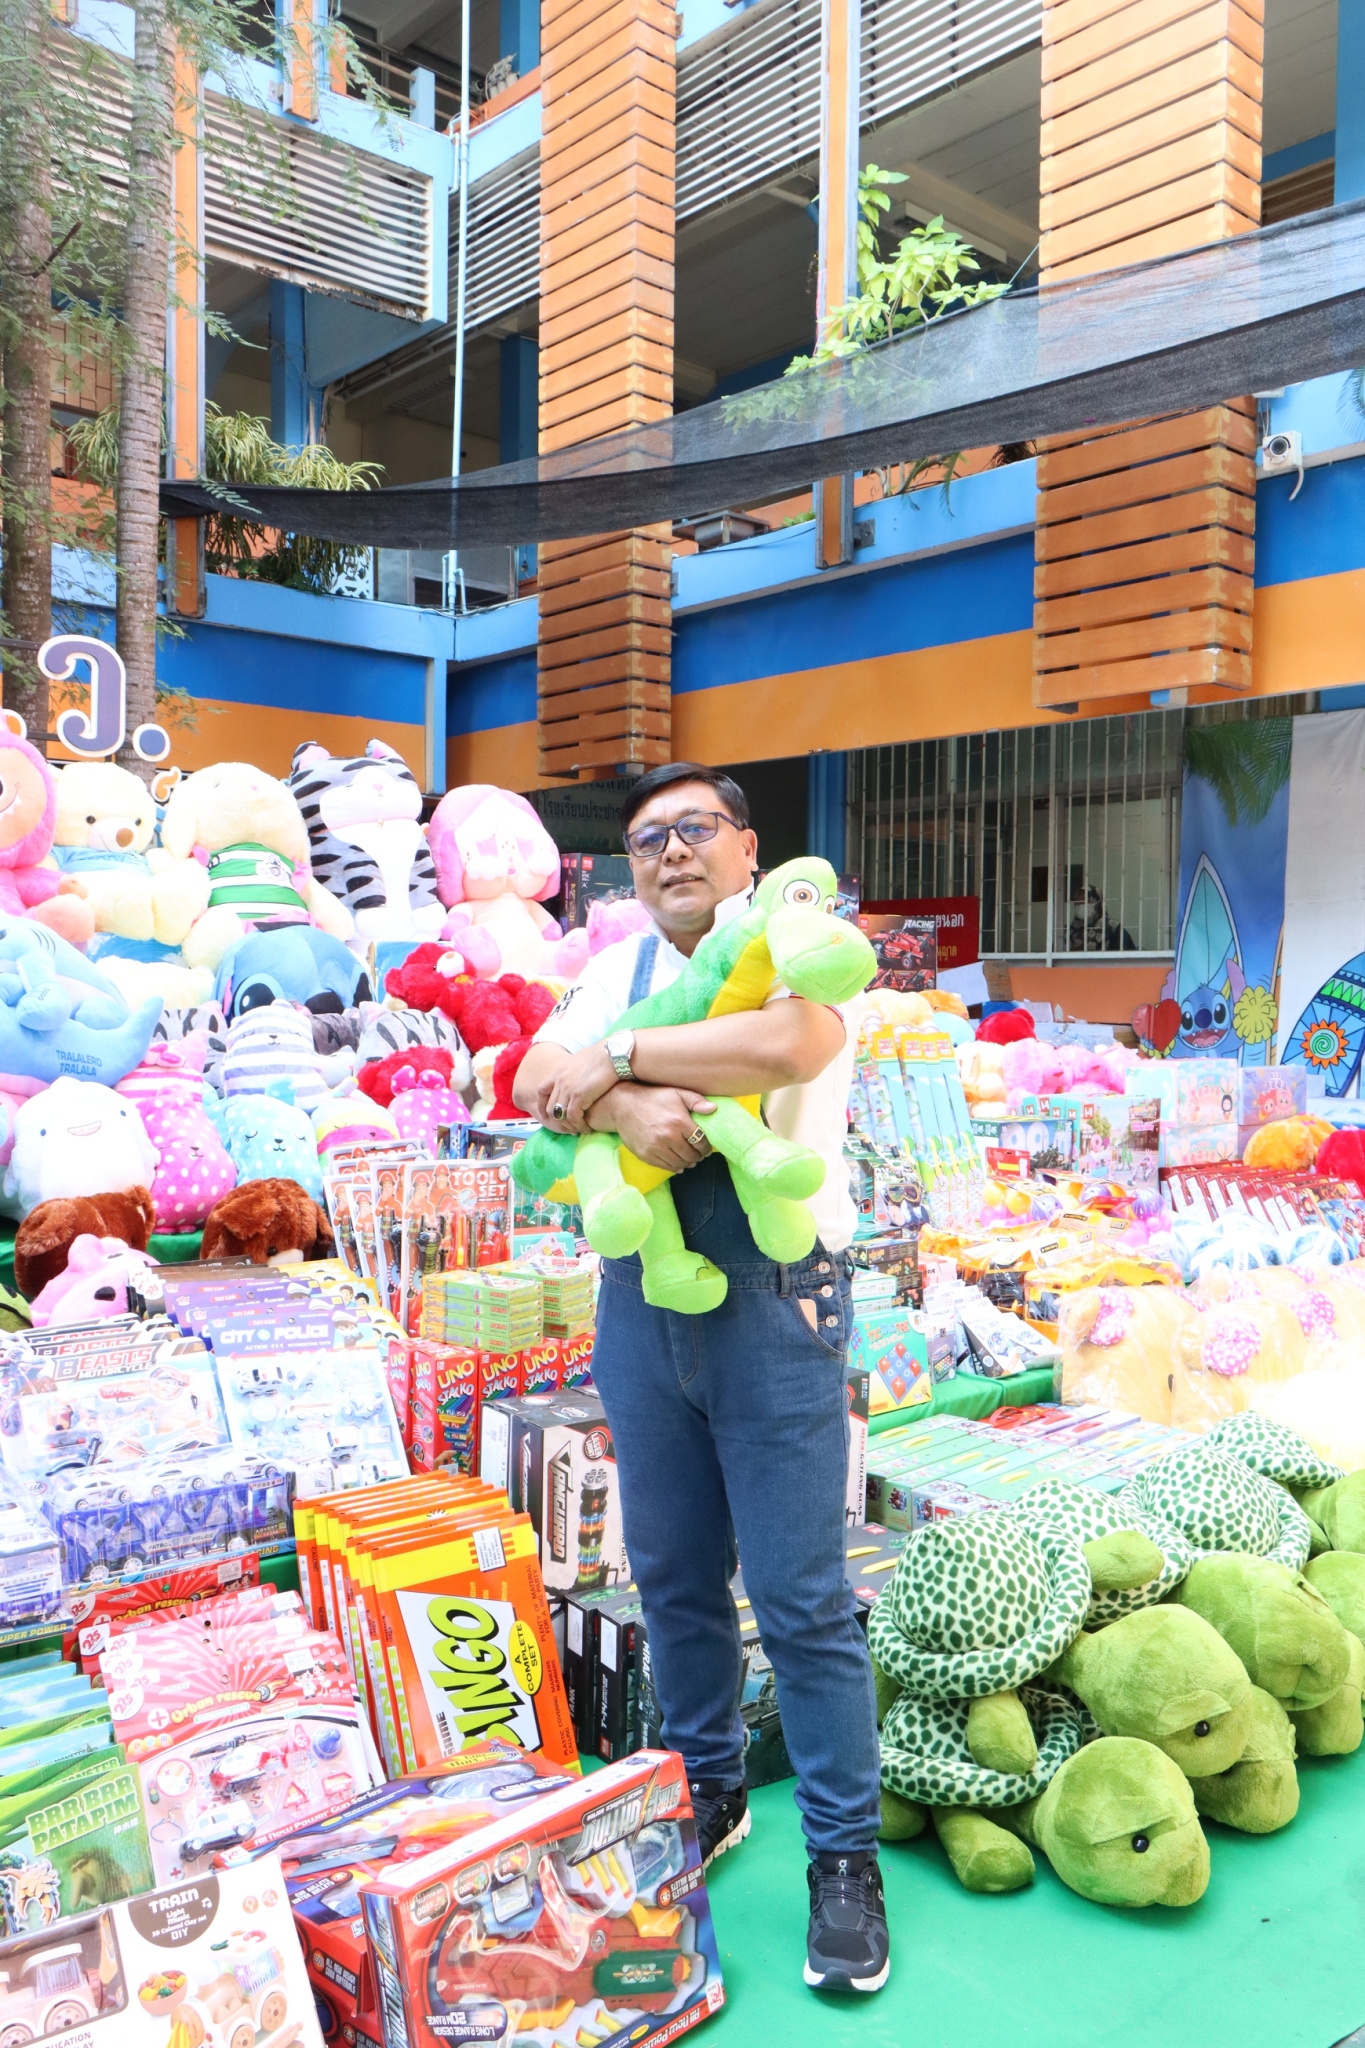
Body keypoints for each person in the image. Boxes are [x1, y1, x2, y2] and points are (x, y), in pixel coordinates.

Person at [514, 762, 888, 1995]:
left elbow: (788, 1040)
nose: (671, 850)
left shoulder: (795, 938)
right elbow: (531, 1079)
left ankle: (844, 1859)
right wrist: (624, 1107)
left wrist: (614, 1060)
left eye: (695, 828)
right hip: (641, 1305)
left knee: (800, 1595)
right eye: (646, 838)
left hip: (776, 1299)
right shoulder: (612, 961)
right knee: (671, 1574)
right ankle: (707, 1786)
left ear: (747, 846)